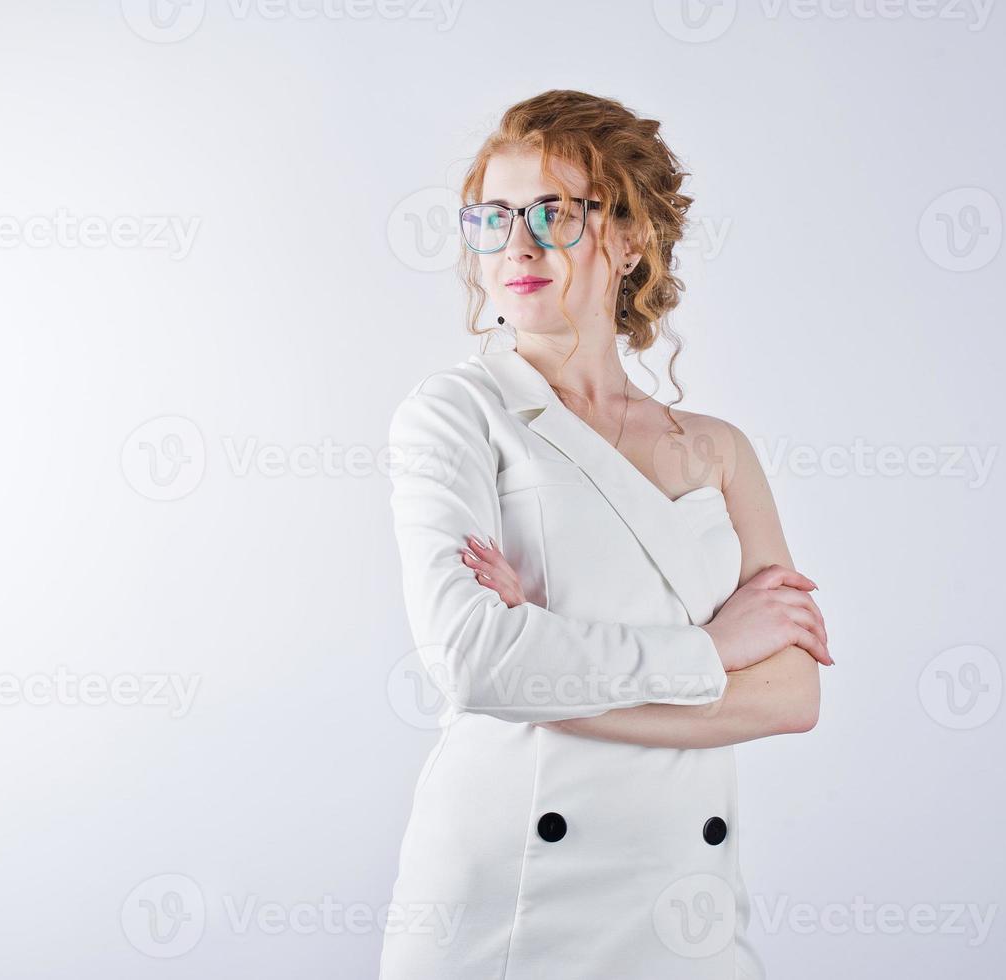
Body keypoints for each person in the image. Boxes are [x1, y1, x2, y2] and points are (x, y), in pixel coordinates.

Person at [379, 89, 831, 980]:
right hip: (510, 886)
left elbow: (789, 695)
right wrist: (712, 650)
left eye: (553, 211)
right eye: (493, 216)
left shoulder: (717, 450)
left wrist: (541, 670)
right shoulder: (455, 414)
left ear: (629, 240)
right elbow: (473, 662)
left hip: (685, 900)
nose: (517, 242)